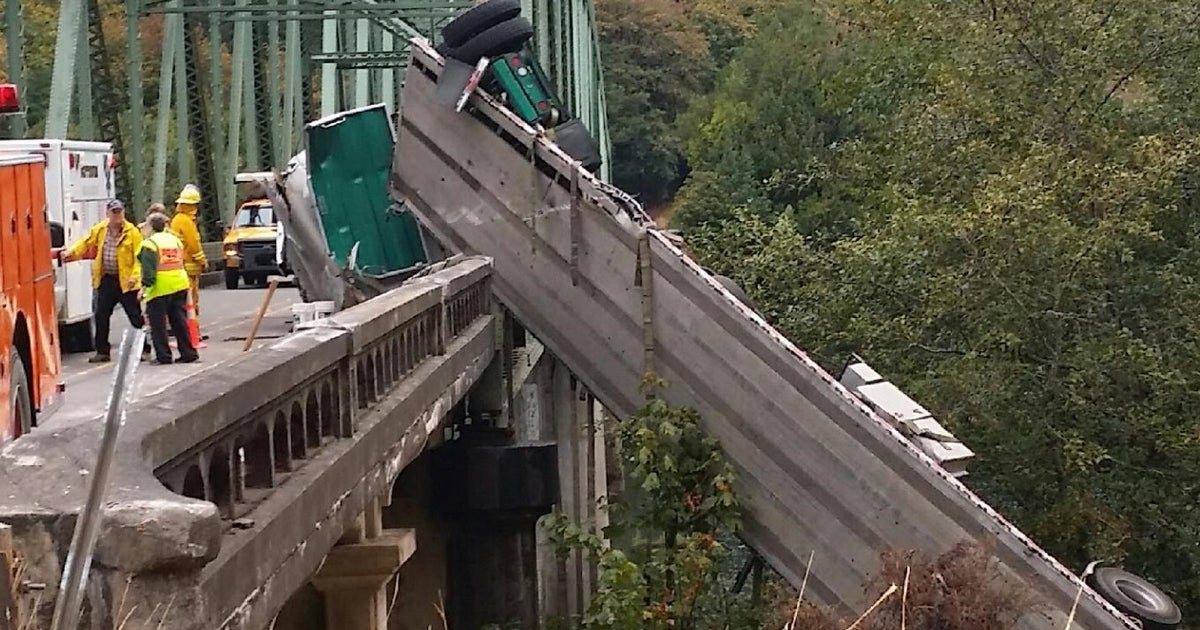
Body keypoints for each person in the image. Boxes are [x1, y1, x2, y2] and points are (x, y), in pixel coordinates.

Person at [58, 199, 144, 363]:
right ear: (108, 214)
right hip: (107, 279)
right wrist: (71, 253)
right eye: (114, 212)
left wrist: (135, 276)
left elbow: (138, 257)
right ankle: (102, 351)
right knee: (101, 315)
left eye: (119, 212)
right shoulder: (101, 229)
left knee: (135, 316)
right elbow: (86, 241)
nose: (117, 215)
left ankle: (143, 348)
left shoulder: (132, 232)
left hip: (126, 280)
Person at [139, 212, 199, 365]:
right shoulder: (175, 240)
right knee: (180, 321)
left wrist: (144, 288)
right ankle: (188, 352)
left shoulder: (149, 244)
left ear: (151, 226)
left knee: (158, 325)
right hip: (179, 284)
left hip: (160, 288)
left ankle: (164, 356)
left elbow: (149, 272)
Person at [170, 184, 208, 328]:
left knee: (183, 301)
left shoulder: (176, 220)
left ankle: (187, 330)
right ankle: (193, 331)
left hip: (179, 266)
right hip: (189, 267)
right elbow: (193, 245)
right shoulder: (187, 222)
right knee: (191, 301)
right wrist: (203, 261)